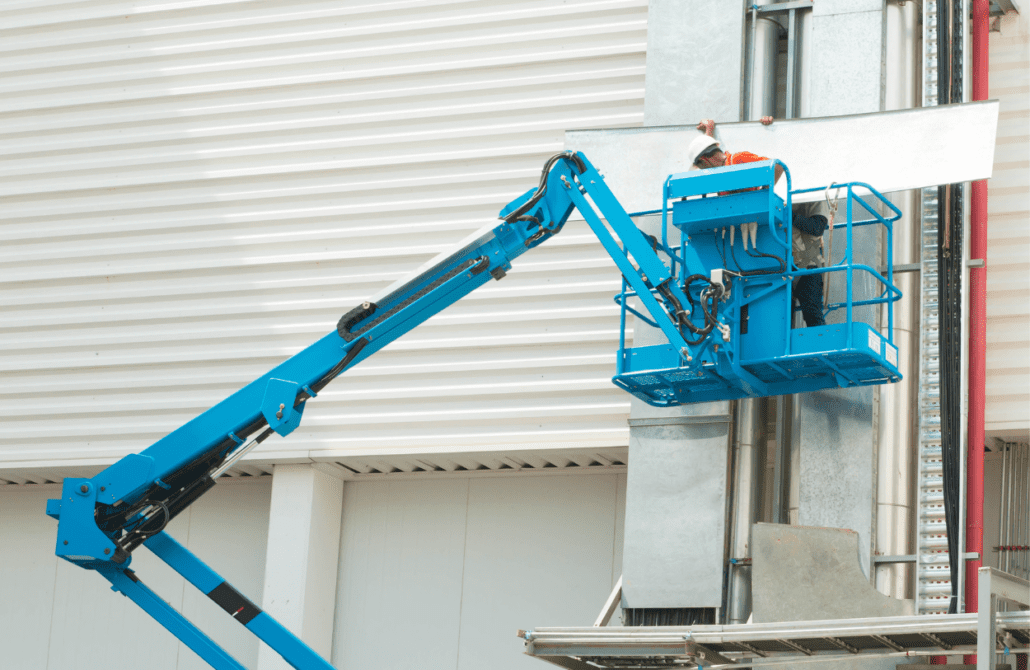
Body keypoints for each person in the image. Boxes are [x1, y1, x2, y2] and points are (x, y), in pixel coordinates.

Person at [688, 118, 827, 327]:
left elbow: (776, 168)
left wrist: (763, 200)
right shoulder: (722, 173)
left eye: (701, 166)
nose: (703, 172)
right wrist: (709, 130)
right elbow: (711, 153)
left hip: (805, 260)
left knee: (811, 310)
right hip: (775, 257)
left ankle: (816, 343)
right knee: (780, 313)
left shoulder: (738, 160)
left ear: (705, 162)